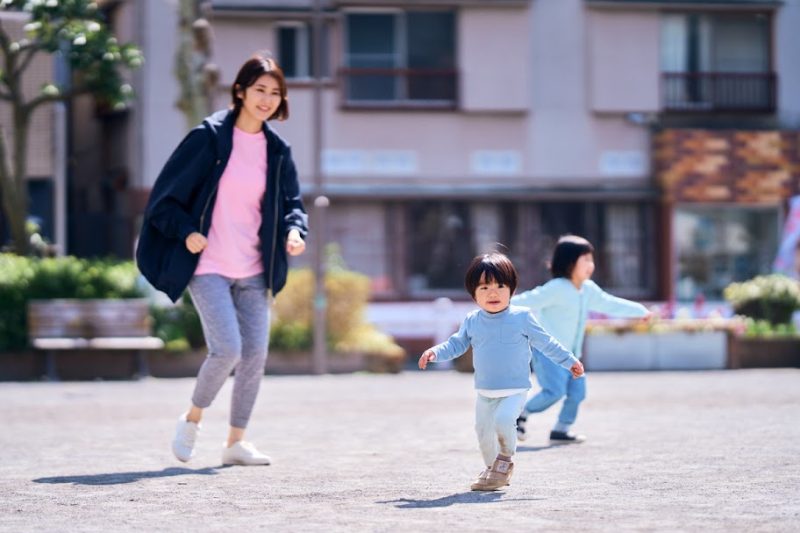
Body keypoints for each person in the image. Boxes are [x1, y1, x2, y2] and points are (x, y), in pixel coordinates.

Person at [135, 53, 308, 466]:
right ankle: (193, 418)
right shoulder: (208, 138)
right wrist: (188, 233)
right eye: (260, 90)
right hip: (208, 263)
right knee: (227, 349)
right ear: (240, 91)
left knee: (255, 355)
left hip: (254, 268)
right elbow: (164, 201)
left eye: (275, 92)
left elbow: (292, 203)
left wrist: (294, 230)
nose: (267, 99)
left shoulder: (277, 150)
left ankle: (235, 443)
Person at [418, 252, 584, 491]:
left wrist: (570, 361)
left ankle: (505, 461)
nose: (493, 293)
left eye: (500, 286)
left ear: (512, 289)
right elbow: (456, 344)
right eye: (484, 287)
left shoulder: (522, 317)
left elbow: (546, 343)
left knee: (505, 420)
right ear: (473, 293)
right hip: (485, 392)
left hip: (514, 389)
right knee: (483, 434)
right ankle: (492, 469)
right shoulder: (473, 320)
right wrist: (435, 352)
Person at [512, 235, 650, 444]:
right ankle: (520, 414)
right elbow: (526, 300)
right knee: (554, 392)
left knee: (577, 393)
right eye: (584, 259)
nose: (590, 265)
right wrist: (498, 305)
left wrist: (639, 310)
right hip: (548, 352)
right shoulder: (556, 287)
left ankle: (561, 429)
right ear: (568, 262)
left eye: (591, 260)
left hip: (572, 355)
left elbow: (610, 303)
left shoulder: (588, 290)